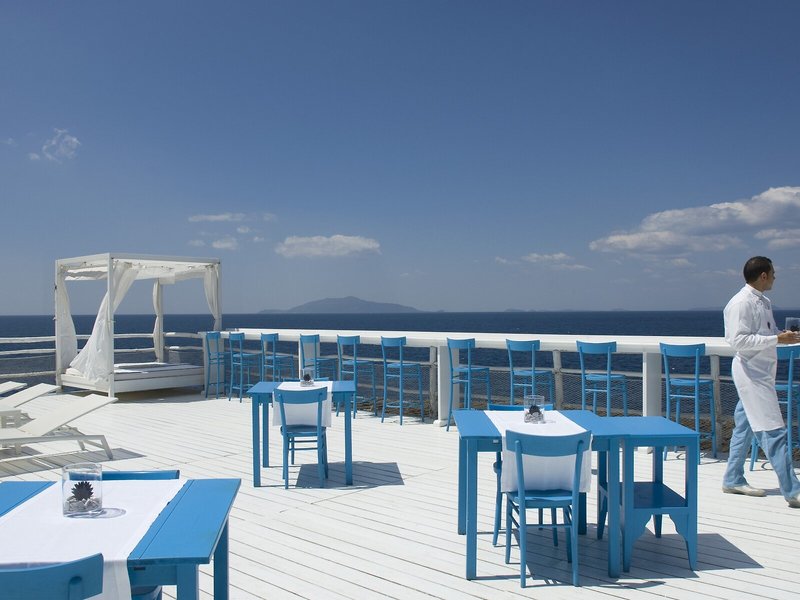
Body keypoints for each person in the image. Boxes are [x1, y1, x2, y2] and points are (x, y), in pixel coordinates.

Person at [722, 256, 800, 507]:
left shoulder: (763, 302)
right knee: (773, 430)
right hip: (751, 374)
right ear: (763, 275)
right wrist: (776, 340)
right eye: (773, 273)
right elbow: (738, 341)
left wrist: (782, 336)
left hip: (762, 372)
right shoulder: (740, 303)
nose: (776, 277)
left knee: (744, 426)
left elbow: (763, 334)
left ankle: (732, 478)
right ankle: (793, 491)